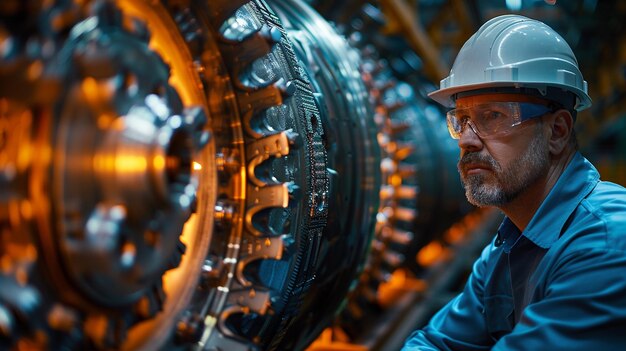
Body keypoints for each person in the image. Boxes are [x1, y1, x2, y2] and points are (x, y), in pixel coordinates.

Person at [402, 14, 626, 350]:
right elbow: (438, 341)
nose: (466, 140)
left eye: (492, 116)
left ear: (557, 131)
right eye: (461, 120)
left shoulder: (607, 243)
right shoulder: (508, 246)